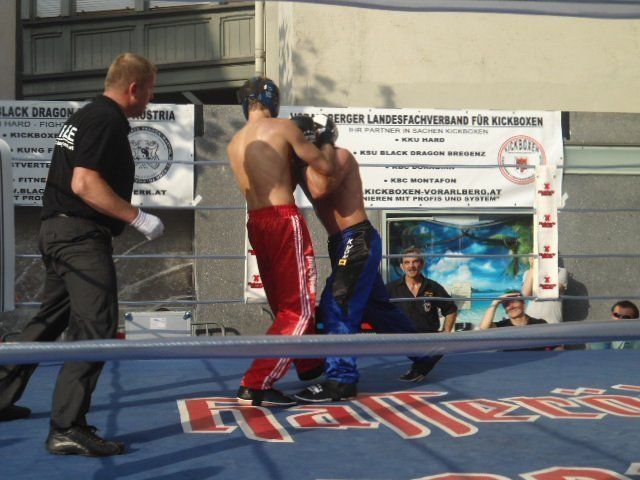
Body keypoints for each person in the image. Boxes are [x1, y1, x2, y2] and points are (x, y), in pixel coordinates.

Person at [0, 53, 163, 456]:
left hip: (58, 232)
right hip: (79, 237)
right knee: (97, 326)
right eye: (150, 91)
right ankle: (67, 426)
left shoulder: (86, 115)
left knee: (47, 321)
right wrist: (138, 217)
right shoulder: (106, 119)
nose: (150, 100)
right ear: (134, 88)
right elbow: (84, 183)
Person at [289, 123, 441, 403]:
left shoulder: (340, 156)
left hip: (357, 239)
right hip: (341, 242)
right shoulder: (303, 166)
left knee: (338, 302)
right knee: (377, 309)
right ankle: (425, 352)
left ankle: (341, 380)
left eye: (296, 141)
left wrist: (321, 145)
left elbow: (321, 190)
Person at [227, 77, 337, 407]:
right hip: (282, 220)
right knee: (299, 309)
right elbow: (324, 167)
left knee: (282, 303)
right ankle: (256, 384)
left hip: (257, 222)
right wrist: (326, 140)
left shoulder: (234, 142)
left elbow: (274, 175)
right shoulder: (283, 127)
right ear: (272, 101)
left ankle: (309, 364)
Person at [384, 247, 458, 380]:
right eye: (407, 262)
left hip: (428, 337)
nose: (411, 266)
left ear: (422, 264)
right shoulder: (391, 288)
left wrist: (446, 331)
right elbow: (379, 309)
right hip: (402, 339)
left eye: (415, 262)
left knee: (445, 344)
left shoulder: (433, 287)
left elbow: (451, 309)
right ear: (401, 266)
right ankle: (420, 368)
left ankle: (419, 369)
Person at [521, 257, 568, 324]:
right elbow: (525, 294)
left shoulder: (560, 271)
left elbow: (553, 291)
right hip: (531, 321)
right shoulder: (528, 273)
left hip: (552, 321)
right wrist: (532, 268)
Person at [480, 291, 547, 330]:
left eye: (514, 301)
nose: (511, 306)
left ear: (523, 303)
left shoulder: (539, 324)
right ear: (505, 310)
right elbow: (484, 329)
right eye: (507, 304)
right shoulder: (502, 327)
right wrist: (495, 302)